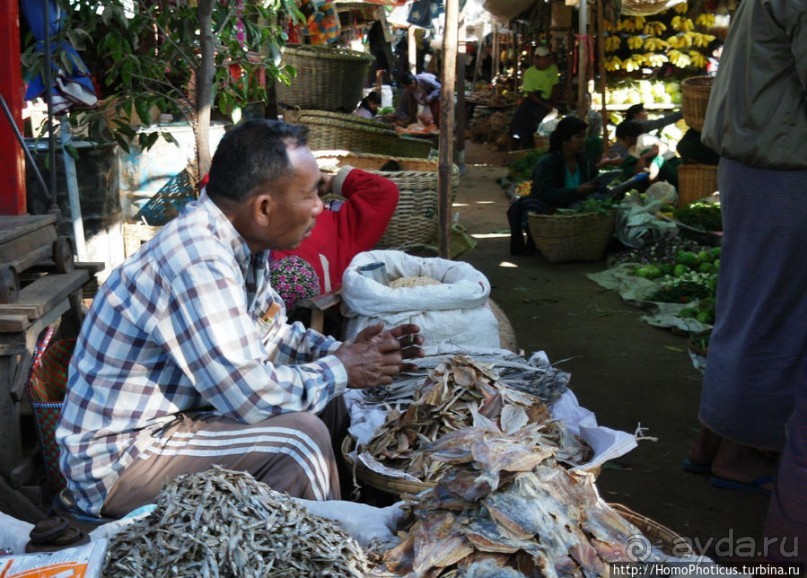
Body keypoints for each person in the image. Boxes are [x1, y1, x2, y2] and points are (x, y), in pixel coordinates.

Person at [56, 120, 424, 519]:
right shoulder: (197, 260)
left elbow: (273, 335)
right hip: (124, 459)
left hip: (183, 423)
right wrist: (342, 368)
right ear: (264, 208)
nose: (321, 207)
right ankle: (322, 549)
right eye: (309, 195)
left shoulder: (242, 245)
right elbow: (251, 397)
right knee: (298, 440)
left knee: (329, 401)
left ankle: (328, 516)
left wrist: (346, 352)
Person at [687, 0, 806, 554]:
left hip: (760, 160)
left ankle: (715, 440)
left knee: (747, 306)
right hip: (785, 165)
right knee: (775, 317)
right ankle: (742, 455)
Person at [271, 164, 400, 299]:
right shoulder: (262, 220)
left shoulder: (345, 227)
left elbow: (384, 192)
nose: (318, 205)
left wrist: (331, 182)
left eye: (312, 193)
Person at [507, 116, 600, 255]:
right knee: (531, 206)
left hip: (577, 206)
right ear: (565, 140)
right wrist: (577, 191)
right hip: (551, 206)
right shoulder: (548, 162)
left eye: (583, 136)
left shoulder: (584, 162)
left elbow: (594, 180)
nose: (583, 141)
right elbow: (547, 193)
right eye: (578, 137)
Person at [507, 46, 560, 150]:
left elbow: (555, 86)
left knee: (540, 124)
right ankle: (512, 149)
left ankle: (531, 145)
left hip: (545, 100)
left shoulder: (553, 69)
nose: (548, 61)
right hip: (532, 101)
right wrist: (545, 105)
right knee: (517, 122)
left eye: (548, 58)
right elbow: (530, 93)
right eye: (545, 59)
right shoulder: (529, 72)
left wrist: (553, 102)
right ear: (537, 59)